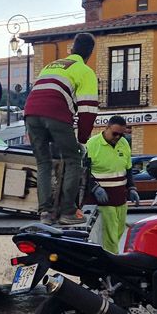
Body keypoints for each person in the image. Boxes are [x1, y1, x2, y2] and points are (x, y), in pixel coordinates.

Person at [23, 33, 100, 225]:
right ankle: (67, 212)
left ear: (72, 49)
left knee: (43, 163)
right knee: (73, 159)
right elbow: (88, 110)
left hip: (31, 113)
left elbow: (40, 93)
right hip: (55, 112)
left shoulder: (51, 66)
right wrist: (81, 138)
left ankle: (45, 213)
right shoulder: (84, 70)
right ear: (89, 53)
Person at [86, 116, 135, 254]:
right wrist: (95, 188)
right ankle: (111, 265)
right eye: (115, 133)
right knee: (111, 238)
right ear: (106, 128)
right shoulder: (92, 144)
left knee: (118, 232)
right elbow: (82, 172)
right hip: (103, 201)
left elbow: (128, 168)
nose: (118, 137)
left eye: (121, 134)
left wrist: (132, 187)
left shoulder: (124, 143)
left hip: (120, 199)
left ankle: (109, 257)